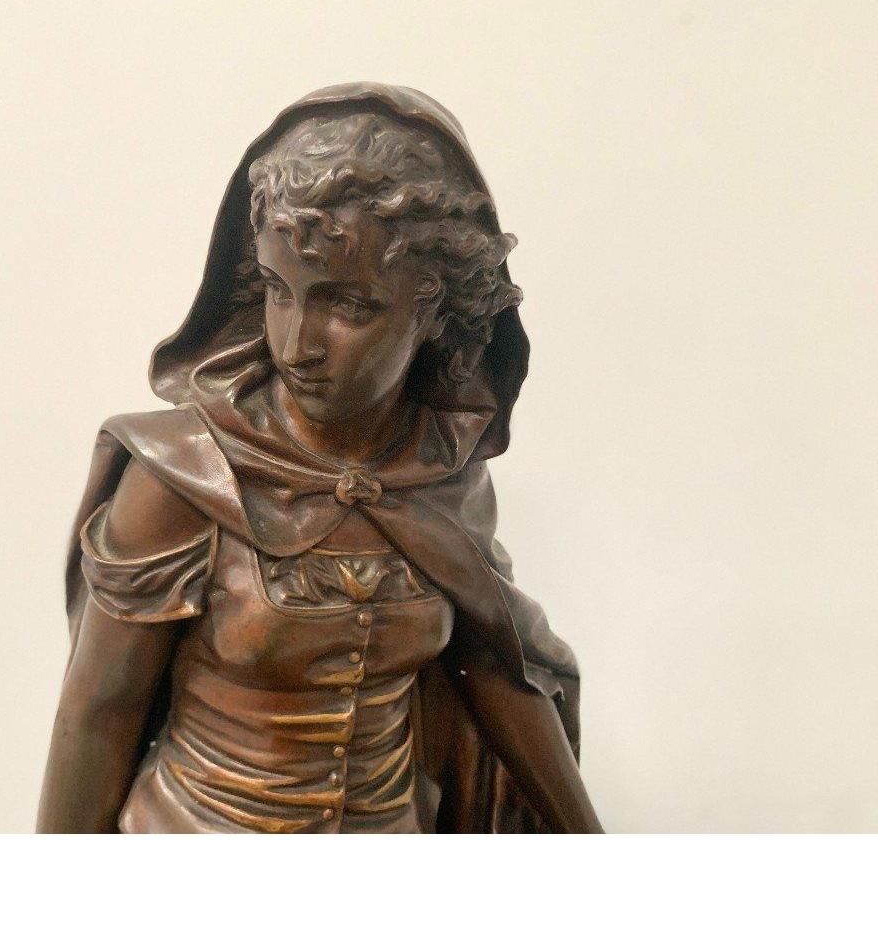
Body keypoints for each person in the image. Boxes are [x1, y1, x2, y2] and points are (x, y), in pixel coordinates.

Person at [37, 83, 602, 833]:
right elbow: (98, 716)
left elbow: (499, 674)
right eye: (279, 291)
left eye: (348, 305)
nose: (296, 345)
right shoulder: (187, 474)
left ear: (434, 307)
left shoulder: (443, 476)